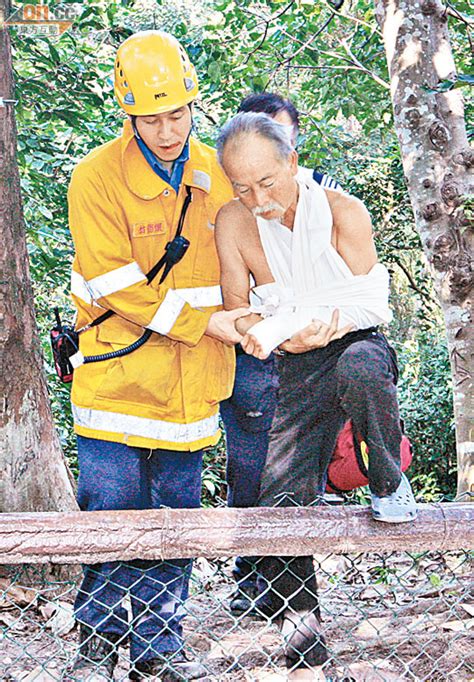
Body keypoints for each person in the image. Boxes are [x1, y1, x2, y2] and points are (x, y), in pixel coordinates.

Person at [67, 31, 248, 681]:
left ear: (193, 106)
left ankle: (158, 647)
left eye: (177, 114)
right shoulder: (95, 177)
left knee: (177, 520)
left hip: (192, 384)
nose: (167, 130)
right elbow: (115, 284)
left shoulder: (216, 172)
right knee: (111, 513)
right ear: (128, 114)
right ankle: (96, 637)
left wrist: (264, 312)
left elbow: (244, 261)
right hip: (118, 377)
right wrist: (210, 323)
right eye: (151, 117)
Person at [215, 112, 417, 672]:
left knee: (360, 368)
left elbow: (374, 303)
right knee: (277, 503)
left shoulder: (343, 212)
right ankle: (304, 638)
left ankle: (388, 480)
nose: (258, 199)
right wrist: (272, 329)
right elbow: (237, 310)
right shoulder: (233, 223)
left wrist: (314, 317)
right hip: (295, 367)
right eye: (241, 187)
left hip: (356, 344)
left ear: (293, 164)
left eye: (267, 183)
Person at [220, 93, 342, 616]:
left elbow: (352, 291)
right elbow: (234, 300)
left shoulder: (327, 202)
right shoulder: (234, 212)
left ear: (291, 150)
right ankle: (252, 581)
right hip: (255, 361)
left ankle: (294, 601)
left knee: (300, 481)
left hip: (317, 363)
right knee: (249, 473)